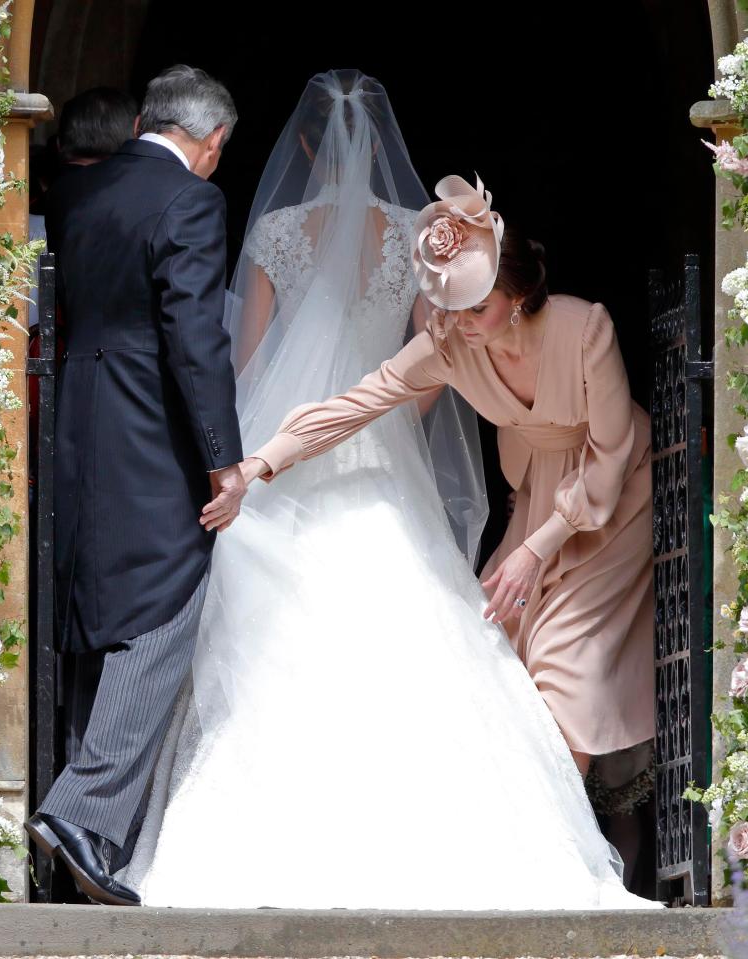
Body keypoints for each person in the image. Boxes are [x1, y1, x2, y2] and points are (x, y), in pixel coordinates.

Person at [118, 70, 659, 911]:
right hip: (533, 494)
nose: (452, 321)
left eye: (471, 309)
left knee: (556, 664)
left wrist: (535, 549)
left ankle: (579, 838)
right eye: (445, 308)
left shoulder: (583, 328)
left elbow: (610, 453)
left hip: (602, 500)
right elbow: (352, 403)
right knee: (502, 647)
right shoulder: (444, 343)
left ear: (514, 298)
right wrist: (260, 463)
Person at [25, 65, 246, 907]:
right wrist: (224, 459)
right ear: (211, 140)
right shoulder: (189, 200)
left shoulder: (80, 191)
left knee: (98, 611)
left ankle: (79, 845)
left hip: (77, 427)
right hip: (150, 433)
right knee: (168, 604)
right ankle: (80, 812)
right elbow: (195, 336)